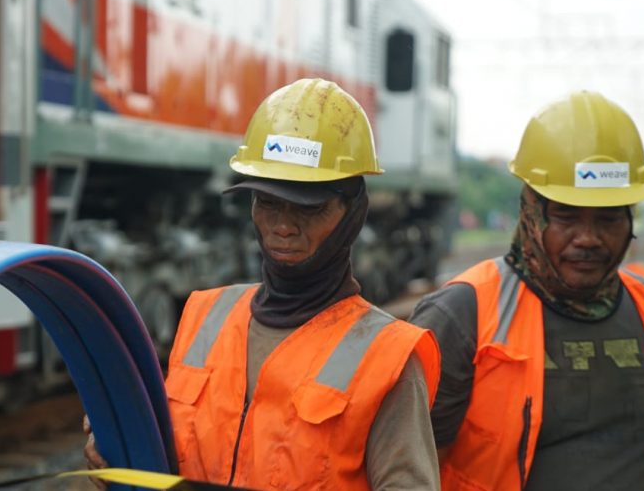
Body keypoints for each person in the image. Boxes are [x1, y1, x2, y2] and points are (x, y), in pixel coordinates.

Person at [85, 78, 442, 489]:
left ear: (353, 213)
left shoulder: (388, 358)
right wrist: (120, 456)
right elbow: (171, 461)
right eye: (268, 202)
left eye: (309, 208)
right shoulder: (204, 316)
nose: (283, 226)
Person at [409, 91, 644, 491]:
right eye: (566, 216)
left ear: (629, 220)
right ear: (531, 213)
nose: (588, 238)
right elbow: (409, 468)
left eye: (607, 219)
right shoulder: (464, 315)